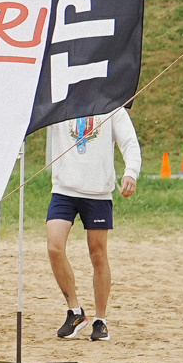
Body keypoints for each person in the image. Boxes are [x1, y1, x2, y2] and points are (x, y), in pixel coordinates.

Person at [45, 108, 141, 342]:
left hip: (98, 192)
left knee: (98, 254)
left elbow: (129, 141)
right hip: (63, 189)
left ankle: (100, 320)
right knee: (54, 247)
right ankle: (75, 312)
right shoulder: (62, 99)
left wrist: (131, 172)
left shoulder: (112, 105)